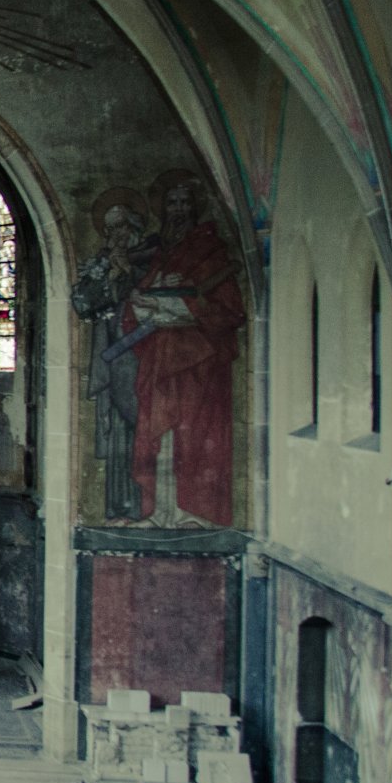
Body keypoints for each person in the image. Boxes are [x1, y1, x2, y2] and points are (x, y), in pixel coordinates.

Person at [124, 173, 245, 527]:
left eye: (184, 202)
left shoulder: (211, 250)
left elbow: (229, 310)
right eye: (172, 203)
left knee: (192, 432)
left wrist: (185, 300)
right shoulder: (164, 253)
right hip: (161, 361)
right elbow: (137, 305)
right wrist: (144, 298)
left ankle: (194, 511)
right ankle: (160, 511)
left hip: (198, 364)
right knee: (158, 434)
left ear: (195, 207)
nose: (177, 210)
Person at [71, 195, 154, 521]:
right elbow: (82, 302)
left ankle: (150, 502)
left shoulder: (151, 258)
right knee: (118, 428)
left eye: (119, 227)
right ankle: (121, 504)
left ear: (134, 225)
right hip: (115, 358)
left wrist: (130, 273)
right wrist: (111, 278)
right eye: (108, 230)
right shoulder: (102, 263)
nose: (114, 236)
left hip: (149, 356)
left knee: (146, 423)